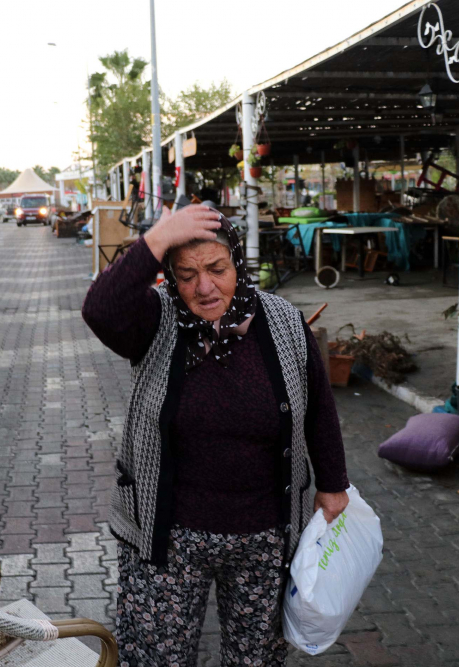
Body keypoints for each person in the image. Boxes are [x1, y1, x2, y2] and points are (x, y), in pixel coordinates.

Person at [81, 204, 350, 667]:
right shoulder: (155, 321)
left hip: (264, 535)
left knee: (256, 659)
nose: (204, 287)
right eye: (186, 275)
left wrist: (332, 484)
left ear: (238, 264)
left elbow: (318, 406)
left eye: (216, 269)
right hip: (167, 536)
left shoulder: (283, 322)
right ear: (169, 277)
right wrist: (157, 238)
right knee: (155, 658)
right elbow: (100, 308)